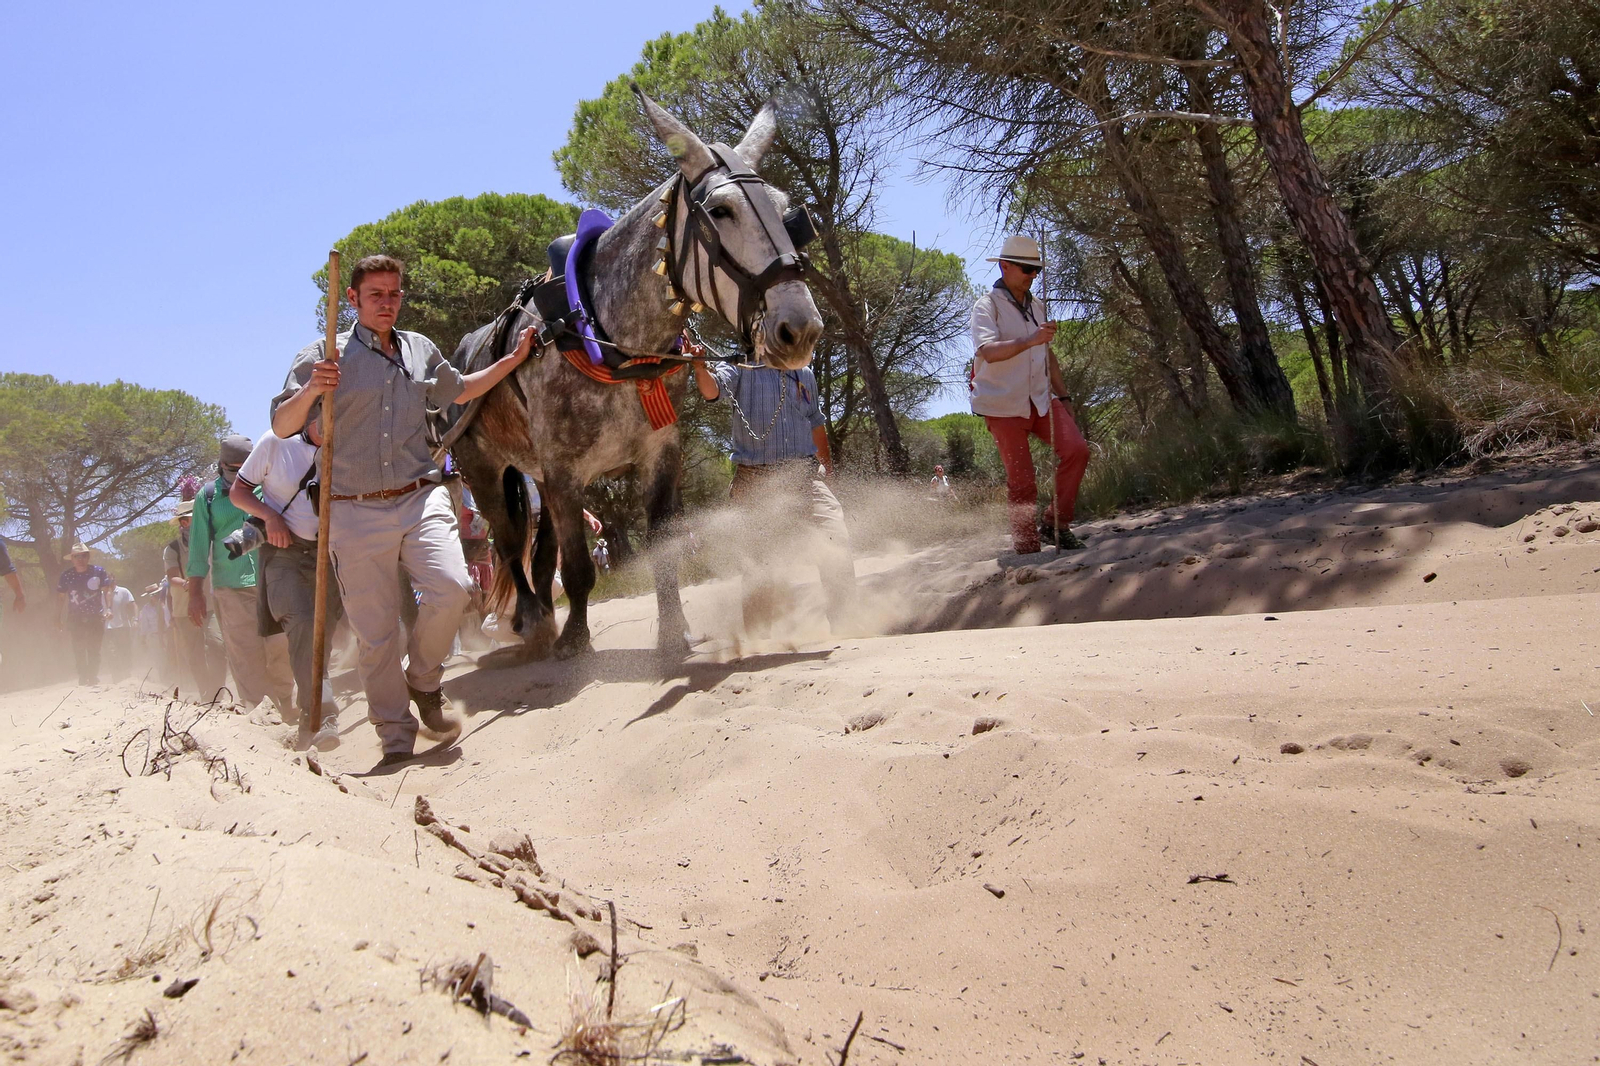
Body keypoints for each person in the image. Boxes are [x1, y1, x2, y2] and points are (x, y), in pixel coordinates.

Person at [270, 253, 537, 766]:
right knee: (376, 634)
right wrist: (313, 391)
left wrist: (511, 362)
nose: (387, 303)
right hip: (351, 506)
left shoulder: (419, 349)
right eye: (376, 294)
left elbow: (459, 389)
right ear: (352, 300)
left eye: (394, 293)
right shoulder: (321, 354)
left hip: (420, 494)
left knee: (453, 588)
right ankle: (395, 737)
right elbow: (283, 425)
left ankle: (424, 682)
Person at [691, 344, 856, 636]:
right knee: (759, 567)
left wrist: (827, 473)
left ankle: (848, 628)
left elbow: (815, 422)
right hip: (755, 482)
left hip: (805, 476)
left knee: (836, 540)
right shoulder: (739, 367)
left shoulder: (804, 373)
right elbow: (711, 391)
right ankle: (758, 642)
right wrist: (700, 367)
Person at [970, 234, 1091, 554]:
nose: (1032, 276)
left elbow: (1048, 355)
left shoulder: (1038, 306)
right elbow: (989, 352)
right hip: (1002, 403)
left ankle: (1056, 523)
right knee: (1022, 482)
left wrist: (1064, 398)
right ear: (1005, 266)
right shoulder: (986, 306)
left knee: (1077, 450)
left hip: (1041, 399)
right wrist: (1030, 340)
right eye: (1026, 269)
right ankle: (1027, 549)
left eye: (1036, 270)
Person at [229, 423, 344, 750]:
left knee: (323, 634)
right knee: (304, 625)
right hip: (283, 553)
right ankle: (323, 716)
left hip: (331, 552)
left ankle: (312, 709)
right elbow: (239, 492)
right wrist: (269, 517)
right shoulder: (274, 442)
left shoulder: (351, 442)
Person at [186, 434, 295, 711]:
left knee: (280, 647)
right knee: (245, 653)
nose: (238, 474)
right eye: (232, 469)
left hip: (273, 579)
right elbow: (198, 548)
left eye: (243, 467)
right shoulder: (208, 497)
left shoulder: (270, 487)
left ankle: (285, 701)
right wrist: (195, 592)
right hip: (231, 585)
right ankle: (257, 709)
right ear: (221, 464)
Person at [166, 500, 226, 698]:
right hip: (184, 608)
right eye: (189, 520)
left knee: (217, 644)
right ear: (182, 523)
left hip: (212, 603)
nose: (193, 524)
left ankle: (218, 693)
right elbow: (171, 575)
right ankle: (205, 692)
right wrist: (187, 584)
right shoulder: (172, 549)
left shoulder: (214, 541)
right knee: (194, 654)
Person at [56, 543, 112, 685]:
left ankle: (92, 675)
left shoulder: (99, 572)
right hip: (75, 617)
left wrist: (109, 608)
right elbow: (61, 597)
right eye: (76, 556)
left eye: (83, 555)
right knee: (78, 647)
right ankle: (82, 675)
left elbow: (107, 590)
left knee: (94, 647)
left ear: (88, 557)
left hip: (95, 616)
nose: (80, 559)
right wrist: (57, 617)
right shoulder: (66, 576)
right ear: (72, 559)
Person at [104, 582, 138, 679]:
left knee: (125, 650)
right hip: (109, 627)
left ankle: (127, 673)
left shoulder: (123, 591)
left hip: (123, 626)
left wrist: (135, 619)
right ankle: (116, 675)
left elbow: (134, 605)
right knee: (112, 651)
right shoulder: (102, 594)